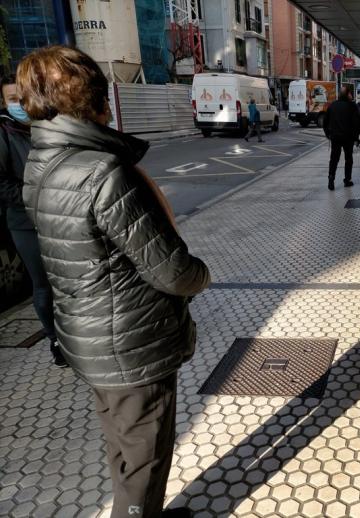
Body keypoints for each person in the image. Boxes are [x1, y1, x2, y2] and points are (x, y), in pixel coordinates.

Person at [17, 45, 211, 518]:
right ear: (96, 101)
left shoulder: (41, 162)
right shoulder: (104, 172)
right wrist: (201, 271)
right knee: (145, 458)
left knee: (124, 445)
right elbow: (173, 271)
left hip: (87, 335)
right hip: (132, 345)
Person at [0, 74, 65, 367]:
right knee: (44, 285)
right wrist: (36, 198)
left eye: (22, 97)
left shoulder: (48, 127)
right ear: (4, 102)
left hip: (60, 217)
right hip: (26, 222)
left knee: (71, 280)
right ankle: (56, 340)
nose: (19, 104)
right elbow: (2, 184)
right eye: (12, 99)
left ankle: (77, 337)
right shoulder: (4, 133)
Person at [323, 86, 360, 191]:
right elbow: (357, 123)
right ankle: (347, 180)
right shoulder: (352, 106)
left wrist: (328, 134)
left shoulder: (332, 106)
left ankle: (331, 179)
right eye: (350, 94)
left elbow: (325, 122)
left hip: (335, 137)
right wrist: (356, 137)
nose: (351, 96)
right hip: (348, 138)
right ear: (348, 94)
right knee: (348, 159)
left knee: (334, 159)